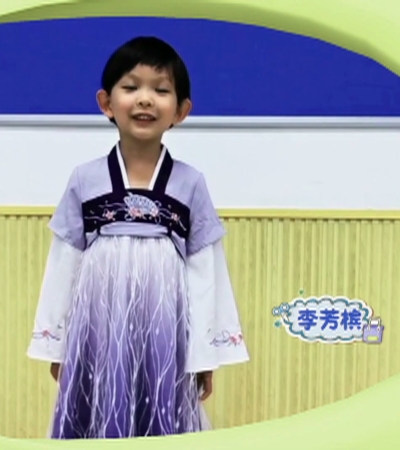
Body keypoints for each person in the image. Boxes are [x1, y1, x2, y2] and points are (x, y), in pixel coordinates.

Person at [26, 36, 249, 440]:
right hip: (98, 327)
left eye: (161, 90)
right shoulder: (85, 179)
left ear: (181, 111)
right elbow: (63, 263)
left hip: (164, 330)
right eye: (131, 87)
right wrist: (57, 346)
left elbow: (206, 271)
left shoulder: (190, 184)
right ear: (106, 103)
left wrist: (204, 354)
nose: (145, 99)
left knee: (162, 417)